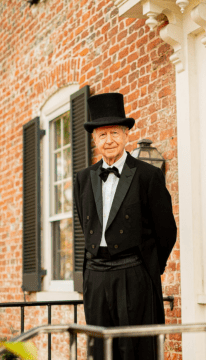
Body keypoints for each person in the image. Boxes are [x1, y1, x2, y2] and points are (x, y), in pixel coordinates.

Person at [73, 92, 177, 360]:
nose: (109, 141)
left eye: (114, 134)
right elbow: (86, 228)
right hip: (96, 277)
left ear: (126, 135)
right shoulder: (82, 179)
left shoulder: (148, 175)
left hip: (133, 274)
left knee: (136, 350)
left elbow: (166, 231)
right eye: (102, 135)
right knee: (100, 351)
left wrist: (149, 269)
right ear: (94, 139)